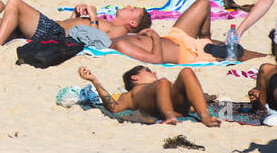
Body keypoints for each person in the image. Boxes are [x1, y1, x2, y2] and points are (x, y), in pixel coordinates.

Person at [113, 0, 265, 63]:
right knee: (241, 53)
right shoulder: (120, 44)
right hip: (186, 53)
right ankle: (265, 57)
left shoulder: (117, 32)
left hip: (175, 36)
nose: (127, 7)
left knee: (203, 3)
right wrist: (154, 37)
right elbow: (156, 59)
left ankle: (206, 40)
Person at [0, 0, 150, 49]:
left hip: (53, 33)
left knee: (15, 3)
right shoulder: (108, 22)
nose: (127, 6)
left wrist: (93, 18)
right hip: (53, 28)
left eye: (132, 9)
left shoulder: (119, 30)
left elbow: (99, 43)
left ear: (133, 22)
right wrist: (76, 14)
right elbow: (75, 27)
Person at [78, 64, 218, 126]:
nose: (154, 73)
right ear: (135, 77)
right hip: (157, 106)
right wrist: (94, 81)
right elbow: (113, 108)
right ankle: (169, 115)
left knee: (186, 72)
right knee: (163, 82)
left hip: (176, 103)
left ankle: (204, 115)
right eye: (148, 70)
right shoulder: (129, 94)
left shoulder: (160, 84)